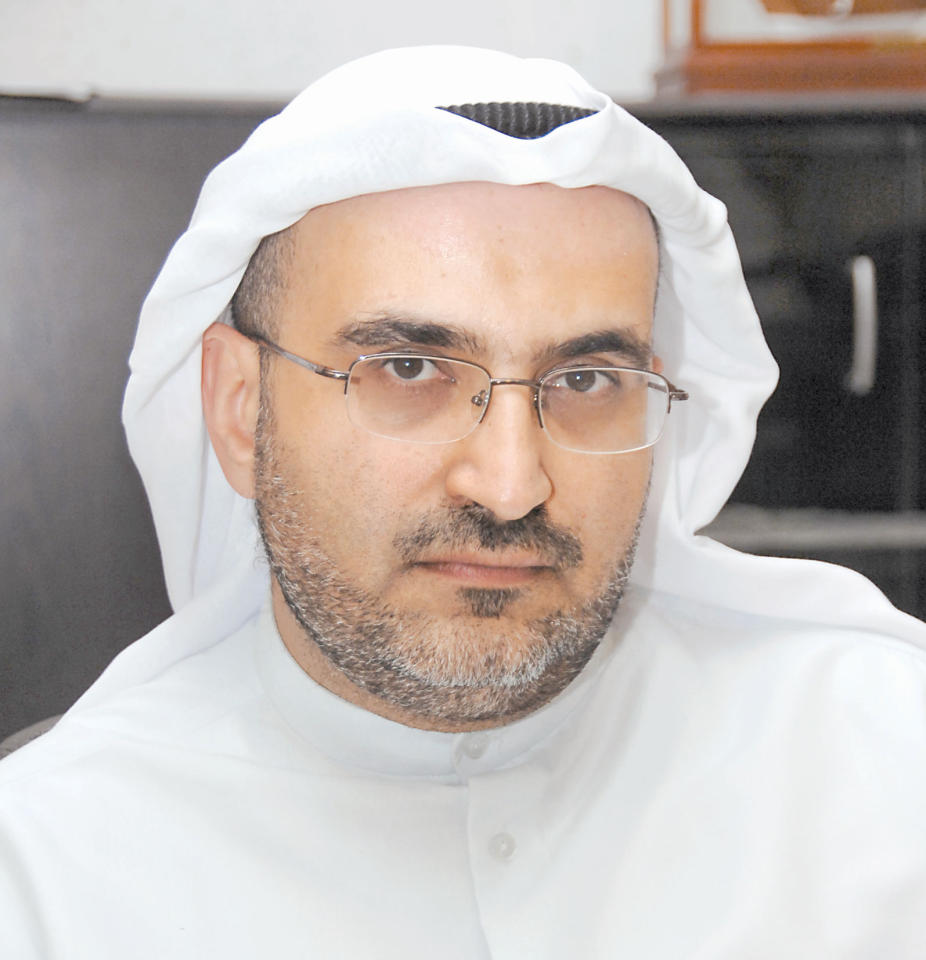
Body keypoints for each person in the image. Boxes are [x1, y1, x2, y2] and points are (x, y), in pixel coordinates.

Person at [1, 46, 925, 958]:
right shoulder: (46, 875)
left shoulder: (882, 757)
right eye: (409, 370)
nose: (512, 486)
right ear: (242, 409)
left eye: (587, 379)